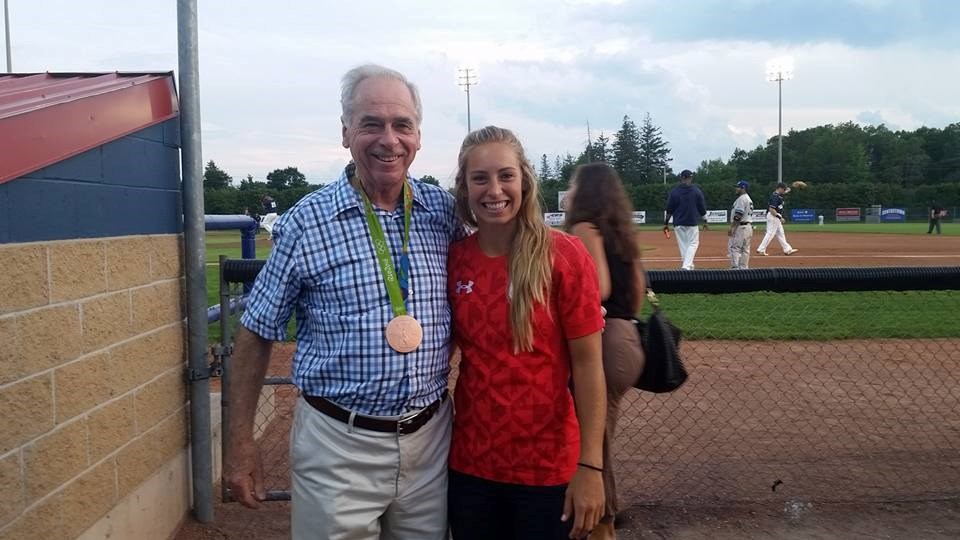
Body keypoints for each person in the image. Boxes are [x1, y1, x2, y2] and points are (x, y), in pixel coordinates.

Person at [222, 64, 462, 540]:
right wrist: (239, 443)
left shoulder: (444, 213)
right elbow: (256, 331)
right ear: (346, 133)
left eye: (402, 125)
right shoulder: (307, 222)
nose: (388, 139)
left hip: (431, 439)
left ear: (418, 137)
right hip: (338, 447)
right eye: (371, 123)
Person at [447, 126, 607, 540]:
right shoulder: (455, 260)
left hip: (547, 468)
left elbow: (589, 366)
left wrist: (591, 466)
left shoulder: (565, 255)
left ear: (524, 180)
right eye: (479, 178)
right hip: (471, 465)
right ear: (464, 188)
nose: (493, 189)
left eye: (505, 175)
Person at [564, 162, 646, 540]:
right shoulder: (622, 233)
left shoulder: (585, 228)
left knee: (593, 444)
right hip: (629, 339)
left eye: (574, 184)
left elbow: (597, 290)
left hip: (604, 340)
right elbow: (638, 292)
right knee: (599, 436)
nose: (569, 189)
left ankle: (603, 523)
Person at [663, 169, 707, 270]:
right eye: (688, 178)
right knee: (693, 243)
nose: (689, 179)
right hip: (691, 222)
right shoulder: (696, 191)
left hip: (678, 223)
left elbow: (669, 209)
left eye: (690, 178)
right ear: (683, 178)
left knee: (684, 246)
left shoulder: (674, 192)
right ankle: (687, 266)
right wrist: (705, 220)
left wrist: (666, 223)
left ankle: (688, 266)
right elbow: (702, 208)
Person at [756, 182, 798, 256]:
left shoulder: (778, 195)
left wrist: (792, 186)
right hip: (774, 216)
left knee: (780, 233)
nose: (784, 191)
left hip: (775, 216)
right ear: (780, 188)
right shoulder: (775, 197)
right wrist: (780, 217)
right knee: (770, 233)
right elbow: (771, 209)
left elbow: (786, 191)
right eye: (783, 189)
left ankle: (787, 249)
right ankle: (761, 249)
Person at [727, 180, 755, 269]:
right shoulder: (748, 199)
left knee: (735, 248)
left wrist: (732, 227)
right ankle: (744, 269)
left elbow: (738, 215)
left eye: (738, 187)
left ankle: (735, 269)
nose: (736, 188)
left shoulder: (742, 199)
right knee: (745, 249)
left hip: (741, 226)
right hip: (748, 227)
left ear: (743, 188)